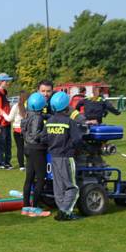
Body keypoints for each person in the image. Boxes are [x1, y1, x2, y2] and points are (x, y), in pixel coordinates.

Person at [46, 92, 84, 221]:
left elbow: (43, 138)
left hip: (53, 157)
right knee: (72, 187)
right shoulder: (69, 122)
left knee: (58, 186)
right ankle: (65, 211)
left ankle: (61, 209)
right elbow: (78, 139)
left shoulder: (50, 121)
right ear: (67, 107)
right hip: (66, 157)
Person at [22, 92, 48, 209]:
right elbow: (36, 135)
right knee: (41, 178)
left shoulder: (27, 115)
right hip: (36, 149)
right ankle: (35, 205)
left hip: (27, 147)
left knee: (29, 178)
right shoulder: (38, 117)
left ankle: (26, 205)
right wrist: (46, 132)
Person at [0, 73, 14, 169]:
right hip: (1, 123)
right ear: (1, 81)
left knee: (8, 143)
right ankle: (1, 163)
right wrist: (6, 116)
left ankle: (7, 162)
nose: (8, 83)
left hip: (7, 122)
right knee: (1, 143)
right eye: (6, 81)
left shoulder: (4, 92)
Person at [4, 90, 27, 170]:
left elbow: (9, 119)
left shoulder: (16, 106)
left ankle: (21, 166)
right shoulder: (28, 106)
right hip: (27, 129)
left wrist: (3, 113)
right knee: (27, 147)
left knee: (20, 148)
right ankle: (30, 163)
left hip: (17, 129)